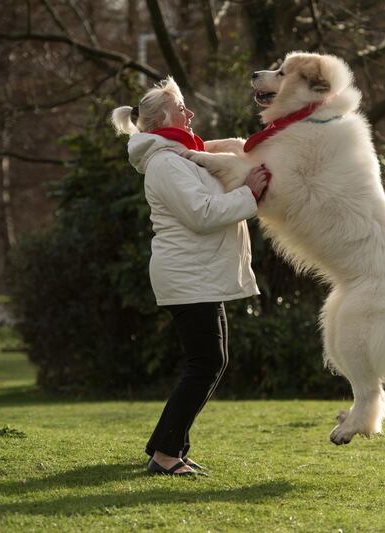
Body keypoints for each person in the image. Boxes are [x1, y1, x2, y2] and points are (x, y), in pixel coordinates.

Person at [111, 78, 270, 476]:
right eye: (182, 107)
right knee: (206, 363)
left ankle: (169, 447)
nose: (190, 114)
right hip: (186, 276)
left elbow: (229, 150)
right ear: (163, 117)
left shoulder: (181, 154)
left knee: (211, 361)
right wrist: (250, 194)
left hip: (198, 275)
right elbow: (202, 214)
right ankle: (166, 455)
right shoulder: (165, 163)